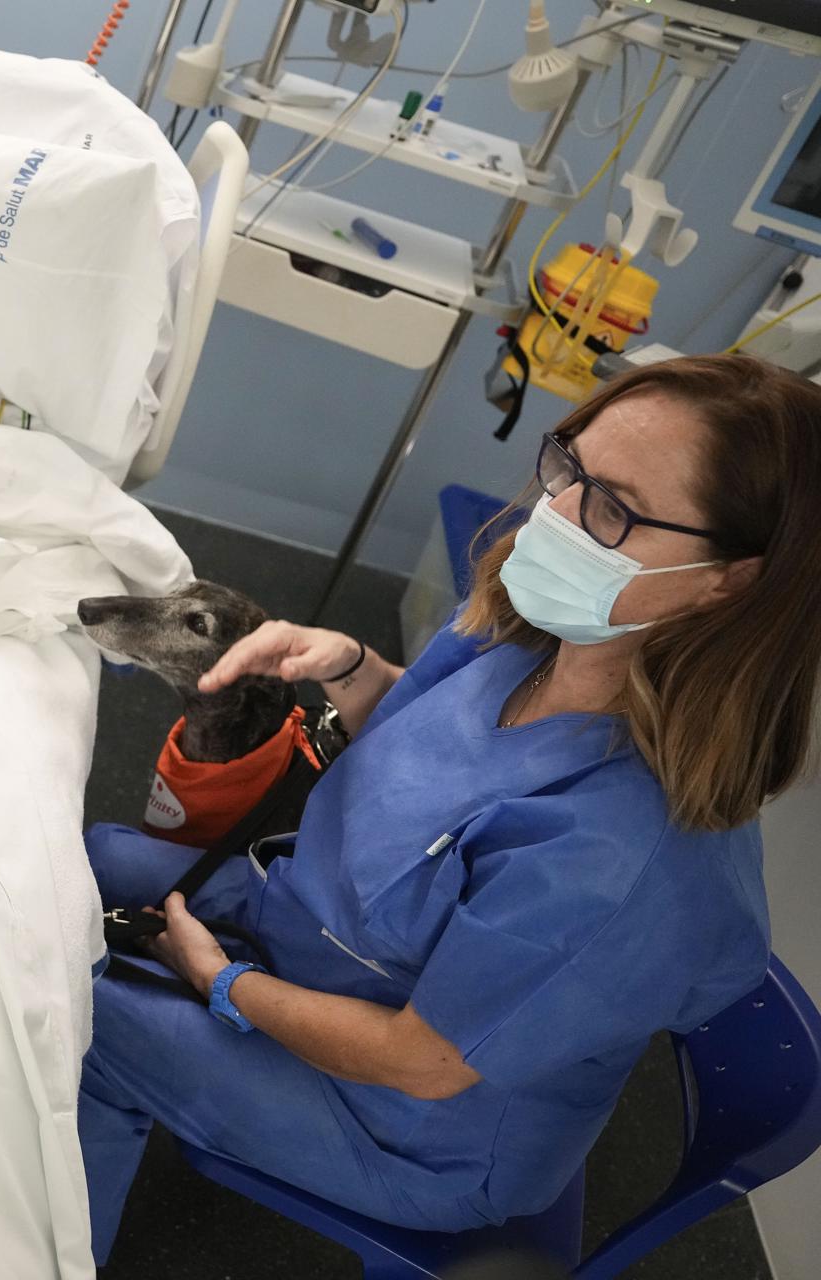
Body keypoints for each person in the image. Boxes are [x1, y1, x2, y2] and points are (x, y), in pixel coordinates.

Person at [79, 353, 820, 1257]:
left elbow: (421, 1062)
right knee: (90, 856)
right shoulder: (543, 637)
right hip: (329, 937)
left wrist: (222, 984)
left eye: (613, 510)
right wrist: (350, 669)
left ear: (729, 580)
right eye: (566, 468)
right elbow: (431, 738)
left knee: (78, 1022)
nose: (556, 517)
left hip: (407, 1127)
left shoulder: (622, 860)